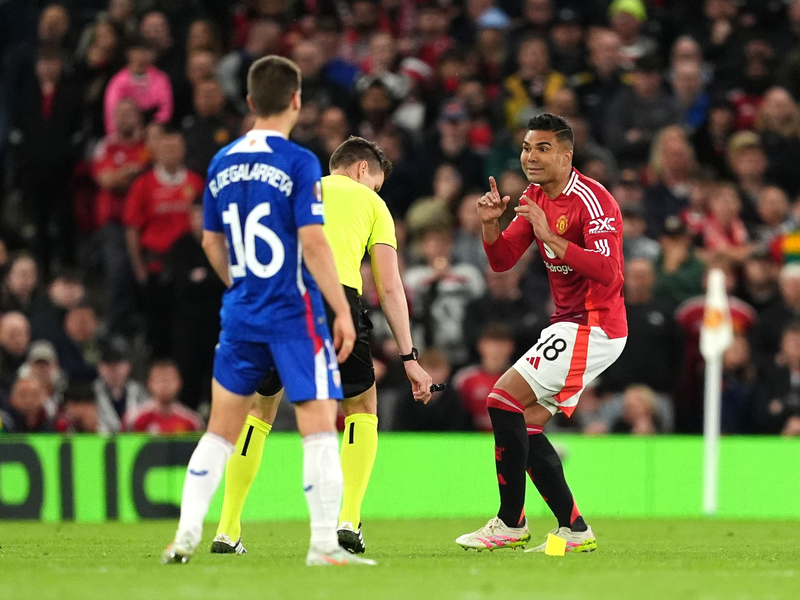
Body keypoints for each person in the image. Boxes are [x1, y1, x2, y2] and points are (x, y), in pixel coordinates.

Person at [162, 56, 369, 568]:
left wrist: (239, 284)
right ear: (297, 100)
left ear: (251, 102)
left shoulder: (221, 162)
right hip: (294, 317)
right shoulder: (299, 162)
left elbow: (211, 240)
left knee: (220, 430)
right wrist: (341, 310)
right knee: (320, 427)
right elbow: (315, 243)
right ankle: (323, 544)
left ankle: (186, 535)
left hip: (241, 315)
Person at [211, 136, 432, 557]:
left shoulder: (294, 187)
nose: (375, 192)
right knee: (361, 408)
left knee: (258, 413)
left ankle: (227, 528)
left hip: (273, 298)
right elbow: (388, 285)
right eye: (376, 184)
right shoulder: (372, 204)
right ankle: (348, 518)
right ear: (363, 170)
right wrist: (408, 357)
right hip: (334, 300)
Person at [456, 113, 627, 553]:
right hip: (571, 324)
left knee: (500, 399)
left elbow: (609, 272)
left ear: (567, 155)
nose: (531, 156)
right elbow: (502, 260)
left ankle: (510, 522)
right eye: (528, 147)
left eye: (543, 148)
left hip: (595, 323)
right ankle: (574, 530)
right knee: (526, 425)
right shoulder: (533, 194)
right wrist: (491, 224)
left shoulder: (595, 200)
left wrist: (553, 238)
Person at [125, 360, 203, 434]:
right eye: (160, 380)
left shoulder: (192, 421)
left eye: (169, 380)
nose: (165, 385)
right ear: (149, 383)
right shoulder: (133, 419)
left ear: (179, 383)